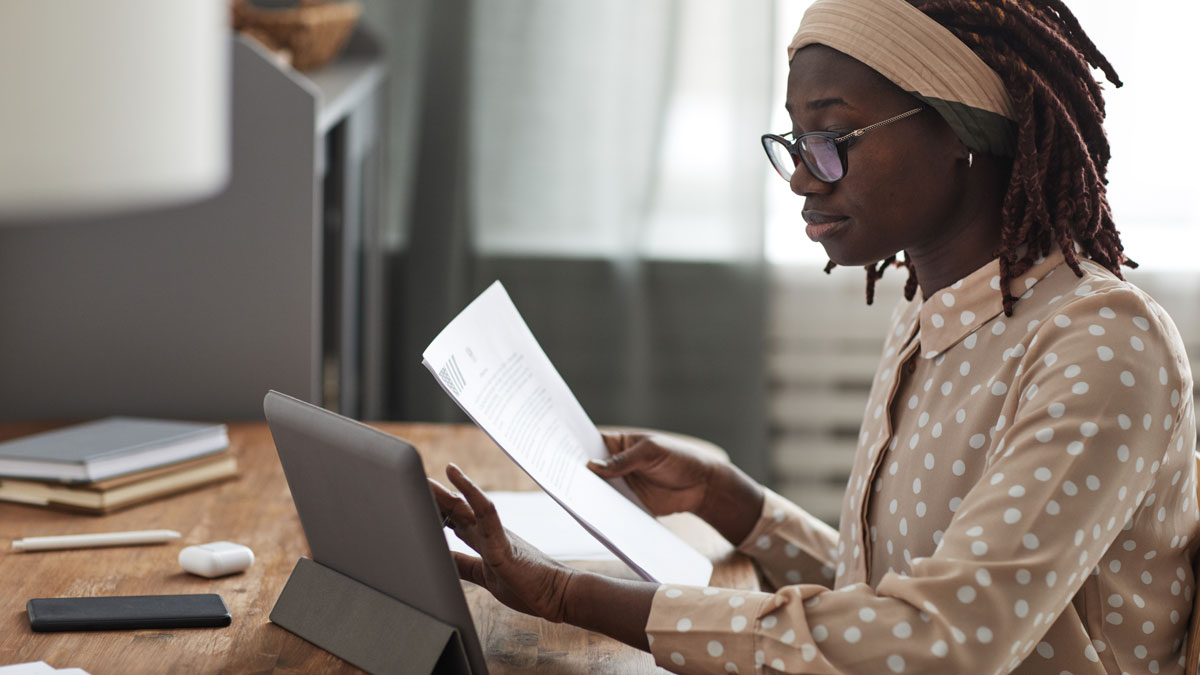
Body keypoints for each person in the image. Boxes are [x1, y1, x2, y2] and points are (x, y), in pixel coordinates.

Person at [429, 0, 1199, 672]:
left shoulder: (1102, 344)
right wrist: (733, 503)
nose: (802, 175)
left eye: (833, 136)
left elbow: (940, 641)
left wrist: (570, 594)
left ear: (962, 129)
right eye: (795, 142)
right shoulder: (931, 316)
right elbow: (888, 602)